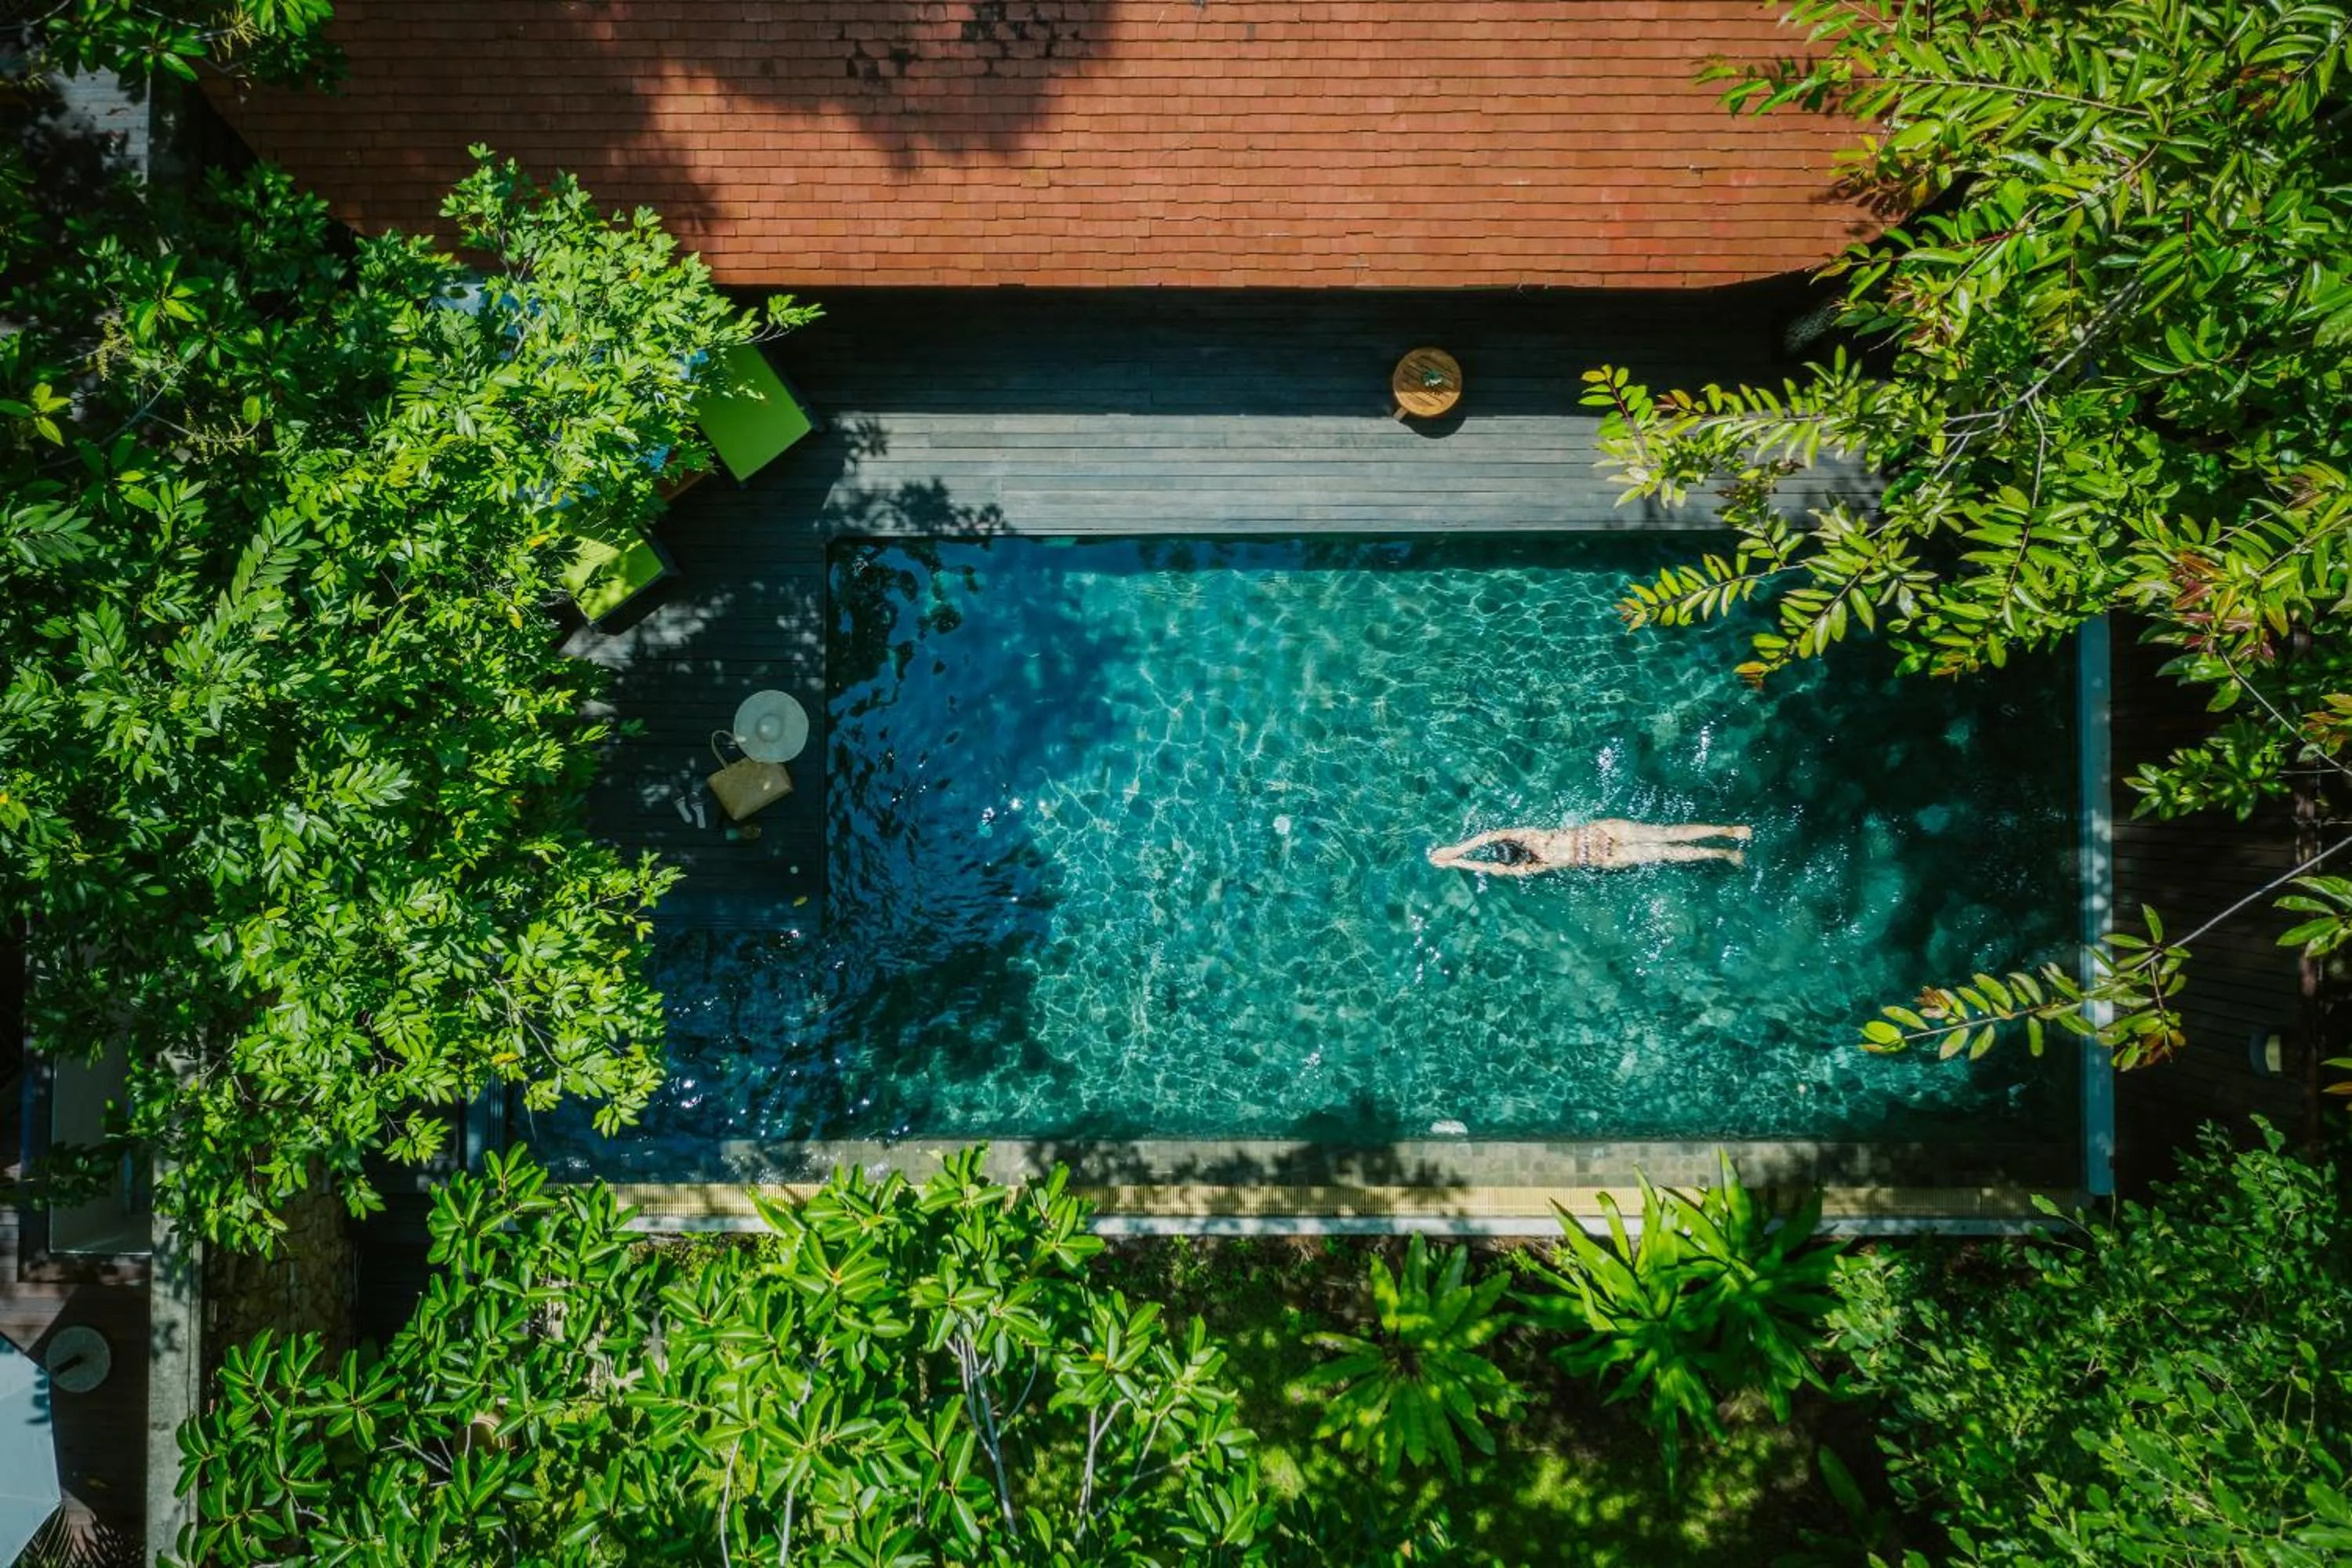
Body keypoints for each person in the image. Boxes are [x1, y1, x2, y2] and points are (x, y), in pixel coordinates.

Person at [1426, 819, 1751, 875]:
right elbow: (1488, 838)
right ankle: (1726, 834)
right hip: (1600, 834)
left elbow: (1488, 864)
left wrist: (1455, 860)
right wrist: (1455, 851)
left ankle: (1724, 849)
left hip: (1603, 855)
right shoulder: (1526, 837)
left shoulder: (1528, 865)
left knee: (1666, 849)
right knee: (1666, 836)